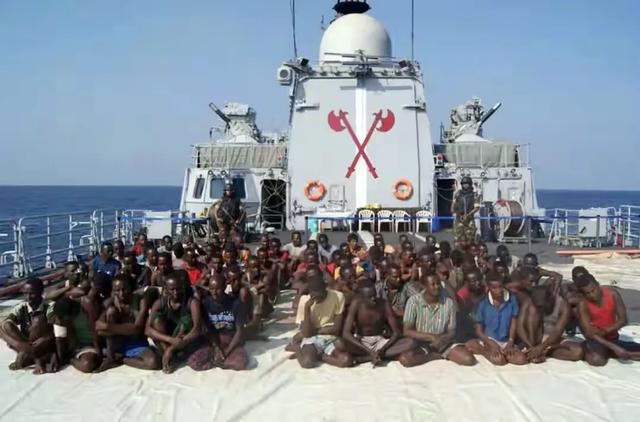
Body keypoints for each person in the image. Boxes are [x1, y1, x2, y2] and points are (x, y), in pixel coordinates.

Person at [399, 274, 477, 367]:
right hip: (422, 342)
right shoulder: (413, 301)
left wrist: (441, 339)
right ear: (424, 286)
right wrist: (432, 337)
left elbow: (451, 331)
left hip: (443, 341)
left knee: (469, 359)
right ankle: (433, 356)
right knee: (405, 359)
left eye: (438, 283)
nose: (437, 287)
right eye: (433, 284)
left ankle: (442, 353)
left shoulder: (448, 303)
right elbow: (407, 331)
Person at [340, 280, 416, 366]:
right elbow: (346, 333)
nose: (373, 299)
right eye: (369, 297)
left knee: (411, 342)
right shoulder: (356, 304)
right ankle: (375, 356)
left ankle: (367, 357)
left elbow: (396, 332)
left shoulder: (384, 304)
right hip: (361, 342)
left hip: (380, 342)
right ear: (361, 297)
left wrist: (382, 349)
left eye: (374, 295)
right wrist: (369, 351)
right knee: (339, 343)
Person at [94, 276, 160, 371]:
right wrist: (124, 329)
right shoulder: (109, 303)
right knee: (111, 311)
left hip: (136, 344)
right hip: (116, 344)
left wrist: (107, 327)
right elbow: (99, 329)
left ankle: (120, 359)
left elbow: (137, 329)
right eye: (117, 290)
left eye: (124, 290)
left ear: (130, 288)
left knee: (153, 362)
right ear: (112, 291)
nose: (121, 294)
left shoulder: (139, 301)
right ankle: (111, 356)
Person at [287, 276, 353, 368]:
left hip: (330, 338)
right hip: (312, 339)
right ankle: (299, 349)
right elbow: (306, 333)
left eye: (320, 295)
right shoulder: (305, 300)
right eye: (313, 295)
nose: (316, 299)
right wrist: (307, 309)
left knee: (346, 360)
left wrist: (314, 331)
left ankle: (319, 356)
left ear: (325, 288)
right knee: (307, 363)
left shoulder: (338, 296)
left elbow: (336, 329)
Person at [575, 274, 640, 365]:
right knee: (597, 360)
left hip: (612, 337)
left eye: (593, 290)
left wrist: (605, 331)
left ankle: (613, 351)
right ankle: (614, 351)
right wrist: (614, 347)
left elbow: (623, 320)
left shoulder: (613, 294)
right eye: (587, 293)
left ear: (598, 284)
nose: (592, 295)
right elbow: (590, 332)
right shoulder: (583, 304)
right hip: (596, 340)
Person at [466, 271, 527, 365]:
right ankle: (481, 349)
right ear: (488, 288)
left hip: (506, 340)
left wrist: (510, 342)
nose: (498, 290)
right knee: (499, 361)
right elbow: (478, 331)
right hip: (489, 340)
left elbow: (513, 323)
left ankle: (500, 351)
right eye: (494, 288)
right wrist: (491, 343)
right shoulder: (482, 303)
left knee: (521, 359)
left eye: (500, 287)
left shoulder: (512, 299)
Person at [145, 275, 202, 373]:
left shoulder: (192, 302)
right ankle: (170, 358)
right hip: (167, 340)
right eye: (172, 289)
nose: (176, 292)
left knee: (187, 322)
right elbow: (147, 330)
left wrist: (171, 348)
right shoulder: (160, 303)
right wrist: (170, 340)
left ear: (183, 288)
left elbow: (197, 329)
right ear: (166, 289)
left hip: (183, 340)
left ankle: (169, 355)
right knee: (157, 320)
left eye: (178, 289)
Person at [190, 277, 249, 371]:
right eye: (211, 289)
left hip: (231, 340)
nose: (214, 292)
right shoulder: (205, 304)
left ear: (225, 287)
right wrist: (216, 347)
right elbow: (207, 329)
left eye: (218, 289)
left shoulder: (236, 303)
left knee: (241, 363)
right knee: (193, 361)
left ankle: (220, 361)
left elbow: (239, 331)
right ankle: (217, 360)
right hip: (214, 340)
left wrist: (226, 352)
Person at [0, 278, 56, 374]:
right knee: (8, 325)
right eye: (25, 293)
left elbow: (56, 327)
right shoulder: (22, 307)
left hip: (44, 342)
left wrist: (45, 338)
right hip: (27, 343)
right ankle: (35, 357)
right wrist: (17, 344)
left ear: (40, 292)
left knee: (37, 321)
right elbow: (6, 324)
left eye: (32, 293)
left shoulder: (49, 306)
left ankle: (28, 354)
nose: (28, 297)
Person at [517, 285, 584, 363]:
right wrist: (530, 345)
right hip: (535, 338)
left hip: (554, 341)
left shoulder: (563, 305)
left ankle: (543, 353)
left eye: (541, 306)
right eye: (538, 306)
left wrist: (541, 348)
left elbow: (557, 333)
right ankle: (532, 350)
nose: (540, 309)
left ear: (550, 298)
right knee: (532, 311)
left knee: (577, 352)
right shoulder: (529, 302)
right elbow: (520, 326)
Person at [451, 176, 480, 243]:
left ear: (470, 184)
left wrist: (467, 215)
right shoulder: (458, 193)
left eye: (466, 184)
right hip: (459, 218)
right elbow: (453, 204)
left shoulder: (474, 194)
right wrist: (453, 209)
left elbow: (477, 207)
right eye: (463, 184)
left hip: (469, 219)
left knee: (470, 238)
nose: (465, 185)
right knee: (458, 238)